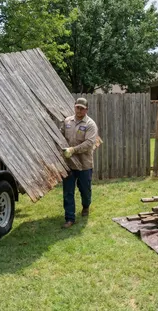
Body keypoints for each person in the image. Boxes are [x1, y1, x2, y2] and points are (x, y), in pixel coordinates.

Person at [61, 97, 98, 228]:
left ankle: (86, 206)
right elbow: (61, 137)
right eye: (77, 107)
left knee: (85, 190)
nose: (79, 110)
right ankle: (70, 218)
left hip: (84, 164)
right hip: (69, 164)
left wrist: (73, 149)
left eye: (82, 108)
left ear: (86, 109)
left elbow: (89, 144)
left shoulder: (90, 124)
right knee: (68, 192)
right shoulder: (67, 121)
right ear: (74, 107)